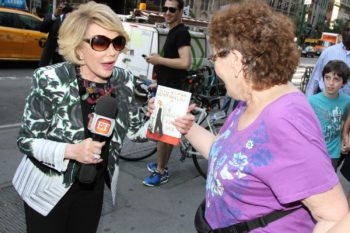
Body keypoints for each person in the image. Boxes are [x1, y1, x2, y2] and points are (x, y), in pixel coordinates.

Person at [171, 1, 350, 232]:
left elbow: (336, 217)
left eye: (214, 57)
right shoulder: (250, 100)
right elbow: (230, 158)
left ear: (235, 60)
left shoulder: (284, 121)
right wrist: (188, 127)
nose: (213, 65)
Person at [12, 2, 149, 233]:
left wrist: (162, 120)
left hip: (93, 191)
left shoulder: (123, 80)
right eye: (100, 42)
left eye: (118, 42)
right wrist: (72, 151)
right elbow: (26, 140)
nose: (112, 51)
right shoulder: (51, 79)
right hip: (47, 192)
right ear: (78, 48)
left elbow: (135, 131)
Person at [142, 0, 192, 187]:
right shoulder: (174, 32)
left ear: (180, 11)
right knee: (165, 134)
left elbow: (185, 63)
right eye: (165, 9)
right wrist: (158, 82)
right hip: (167, 87)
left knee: (162, 135)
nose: (167, 12)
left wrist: (158, 59)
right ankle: (161, 165)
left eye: (172, 9)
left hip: (173, 91)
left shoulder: (181, 33)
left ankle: (161, 171)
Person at [308, 60, 350, 170]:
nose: (330, 83)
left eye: (336, 79)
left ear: (344, 83)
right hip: (313, 151)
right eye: (327, 78)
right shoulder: (311, 101)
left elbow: (345, 120)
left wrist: (345, 137)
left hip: (333, 154)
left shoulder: (347, 101)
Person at [305, 19, 350, 96]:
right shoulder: (329, 52)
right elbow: (315, 78)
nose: (349, 33)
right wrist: (308, 102)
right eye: (347, 30)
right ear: (342, 32)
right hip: (325, 103)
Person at [38, 0, 73, 67]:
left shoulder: (73, 19)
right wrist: (54, 16)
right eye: (62, 1)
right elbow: (42, 29)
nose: (64, 3)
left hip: (65, 55)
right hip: (51, 54)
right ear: (58, 4)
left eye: (67, 2)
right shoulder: (50, 16)